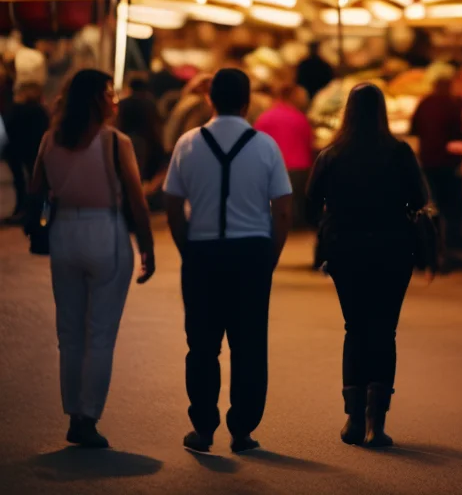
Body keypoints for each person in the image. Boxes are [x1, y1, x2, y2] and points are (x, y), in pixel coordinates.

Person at [164, 68, 293, 454]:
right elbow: (283, 210)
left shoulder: (187, 144)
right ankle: (243, 430)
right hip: (252, 253)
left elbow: (171, 202)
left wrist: (186, 245)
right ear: (247, 100)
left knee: (202, 344)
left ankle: (203, 428)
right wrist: (271, 255)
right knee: (250, 344)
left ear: (209, 100)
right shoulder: (266, 146)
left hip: (202, 252)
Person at [31, 70, 155, 448]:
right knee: (100, 333)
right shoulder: (115, 142)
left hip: (64, 233)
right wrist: (147, 246)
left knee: (68, 333)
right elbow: (136, 198)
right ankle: (87, 416)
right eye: (109, 94)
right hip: (105, 232)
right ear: (97, 100)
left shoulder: (51, 139)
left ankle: (73, 412)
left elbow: (36, 189)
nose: (115, 101)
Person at [306, 83, 429, 448]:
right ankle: (377, 422)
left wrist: (333, 223)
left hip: (346, 251)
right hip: (393, 249)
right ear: (381, 112)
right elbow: (420, 199)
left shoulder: (331, 154)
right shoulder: (399, 152)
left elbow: (310, 204)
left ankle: (353, 418)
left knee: (355, 328)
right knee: (384, 330)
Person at [410, 77, 462, 255]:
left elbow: (414, 129)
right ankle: (448, 248)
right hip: (448, 163)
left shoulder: (424, 103)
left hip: (427, 161)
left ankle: (433, 248)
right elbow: (459, 132)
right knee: (450, 208)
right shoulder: (453, 105)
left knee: (431, 205)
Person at [255, 84, 313, 231]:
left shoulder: (265, 118)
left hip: (276, 169)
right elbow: (308, 143)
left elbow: (257, 146)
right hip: (301, 168)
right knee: (297, 205)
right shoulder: (299, 117)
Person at [3, 83, 49, 221]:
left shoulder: (15, 110)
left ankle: (24, 209)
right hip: (32, 148)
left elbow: (9, 128)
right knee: (35, 181)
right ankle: (35, 210)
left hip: (17, 148)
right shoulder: (39, 111)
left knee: (22, 181)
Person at [162, 73, 212, 154]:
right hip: (182, 150)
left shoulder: (187, 100)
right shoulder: (198, 103)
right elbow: (191, 130)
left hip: (171, 147)